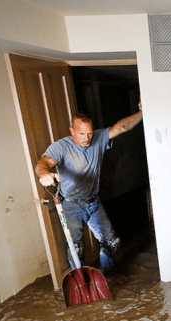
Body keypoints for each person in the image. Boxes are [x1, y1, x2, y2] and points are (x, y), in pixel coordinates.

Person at [35, 104, 143, 273]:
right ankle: (82, 283)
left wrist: (143, 112)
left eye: (90, 133)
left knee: (112, 243)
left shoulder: (99, 138)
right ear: (72, 130)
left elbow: (122, 127)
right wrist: (44, 174)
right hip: (70, 205)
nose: (87, 138)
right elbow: (44, 163)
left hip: (93, 203)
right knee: (76, 250)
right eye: (81, 134)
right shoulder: (61, 147)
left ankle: (106, 277)